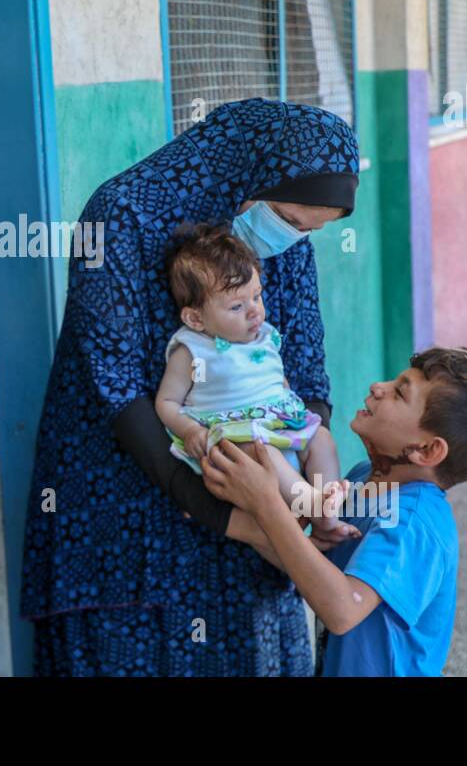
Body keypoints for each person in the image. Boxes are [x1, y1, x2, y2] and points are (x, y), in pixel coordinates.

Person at [21, 98, 360, 676]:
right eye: (293, 221)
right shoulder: (122, 215)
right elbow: (116, 387)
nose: (293, 239)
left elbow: (305, 361)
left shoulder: (287, 239)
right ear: (255, 175)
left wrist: (302, 464)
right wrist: (221, 510)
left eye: (308, 231)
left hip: (246, 485)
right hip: (127, 490)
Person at [203, 347, 467, 676]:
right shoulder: (361, 478)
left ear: (426, 449)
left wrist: (265, 502)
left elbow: (342, 609)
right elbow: (313, 571)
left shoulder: (412, 523)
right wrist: (229, 519)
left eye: (399, 392)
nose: (377, 387)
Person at [156, 223, 345, 529]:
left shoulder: (266, 336)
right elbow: (166, 401)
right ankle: (311, 503)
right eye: (236, 306)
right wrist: (190, 431)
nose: (254, 311)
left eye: (257, 297)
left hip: (280, 425)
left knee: (321, 437)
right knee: (261, 450)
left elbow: (276, 380)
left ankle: (328, 509)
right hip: (235, 440)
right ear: (195, 317)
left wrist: (288, 402)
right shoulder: (192, 350)